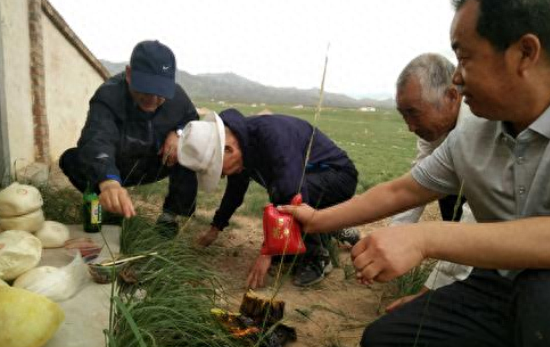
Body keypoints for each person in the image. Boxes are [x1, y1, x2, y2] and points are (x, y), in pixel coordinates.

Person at [281, 0, 550, 345]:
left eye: (465, 58)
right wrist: (317, 219)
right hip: (497, 282)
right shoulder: (472, 136)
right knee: (385, 338)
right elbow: (401, 192)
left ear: (525, 53)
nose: (456, 76)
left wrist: (425, 239)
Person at [177, 109, 359, 288]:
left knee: (284, 195)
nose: (223, 176)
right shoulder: (243, 144)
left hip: (338, 176)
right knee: (282, 207)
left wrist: (267, 252)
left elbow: (292, 194)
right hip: (307, 185)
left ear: (229, 149)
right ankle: (333, 226)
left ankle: (317, 256)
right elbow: (235, 192)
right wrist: (215, 228)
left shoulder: (272, 137)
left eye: (219, 170)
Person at [60, 40, 199, 238]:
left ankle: (170, 217)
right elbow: (97, 138)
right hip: (118, 164)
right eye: (146, 90)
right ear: (129, 74)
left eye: (160, 93)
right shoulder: (108, 96)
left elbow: (191, 118)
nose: (152, 100)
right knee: (72, 159)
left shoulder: (178, 97)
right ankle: (111, 205)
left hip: (154, 161)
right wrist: (108, 181)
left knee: (189, 151)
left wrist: (178, 133)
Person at [387, 53, 474, 311]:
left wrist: (431, 290)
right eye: (404, 115)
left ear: (451, 96)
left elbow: (478, 217)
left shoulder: (479, 125)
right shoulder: (431, 130)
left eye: (413, 113)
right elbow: (416, 186)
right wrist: (393, 240)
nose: (410, 127)